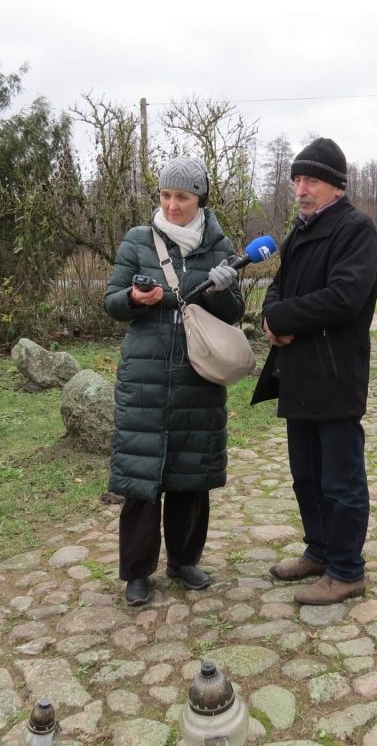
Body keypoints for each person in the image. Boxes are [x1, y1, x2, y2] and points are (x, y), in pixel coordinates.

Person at [104, 156, 245, 607]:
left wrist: (223, 290)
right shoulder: (138, 240)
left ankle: (184, 561)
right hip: (144, 375)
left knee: (191, 474)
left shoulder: (220, 246)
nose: (172, 205)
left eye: (181, 197)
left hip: (197, 376)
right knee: (141, 479)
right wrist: (134, 297)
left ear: (200, 198)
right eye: (165, 196)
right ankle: (137, 572)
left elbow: (234, 312)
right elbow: (111, 302)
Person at [251, 137, 377, 606]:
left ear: (335, 186)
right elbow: (278, 286)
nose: (301, 189)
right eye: (297, 180)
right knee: (305, 475)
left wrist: (284, 319)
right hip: (299, 375)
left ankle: (347, 571)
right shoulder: (300, 232)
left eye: (311, 181)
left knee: (341, 480)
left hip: (336, 375)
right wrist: (271, 317)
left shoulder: (356, 230)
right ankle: (319, 550)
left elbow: (344, 298)